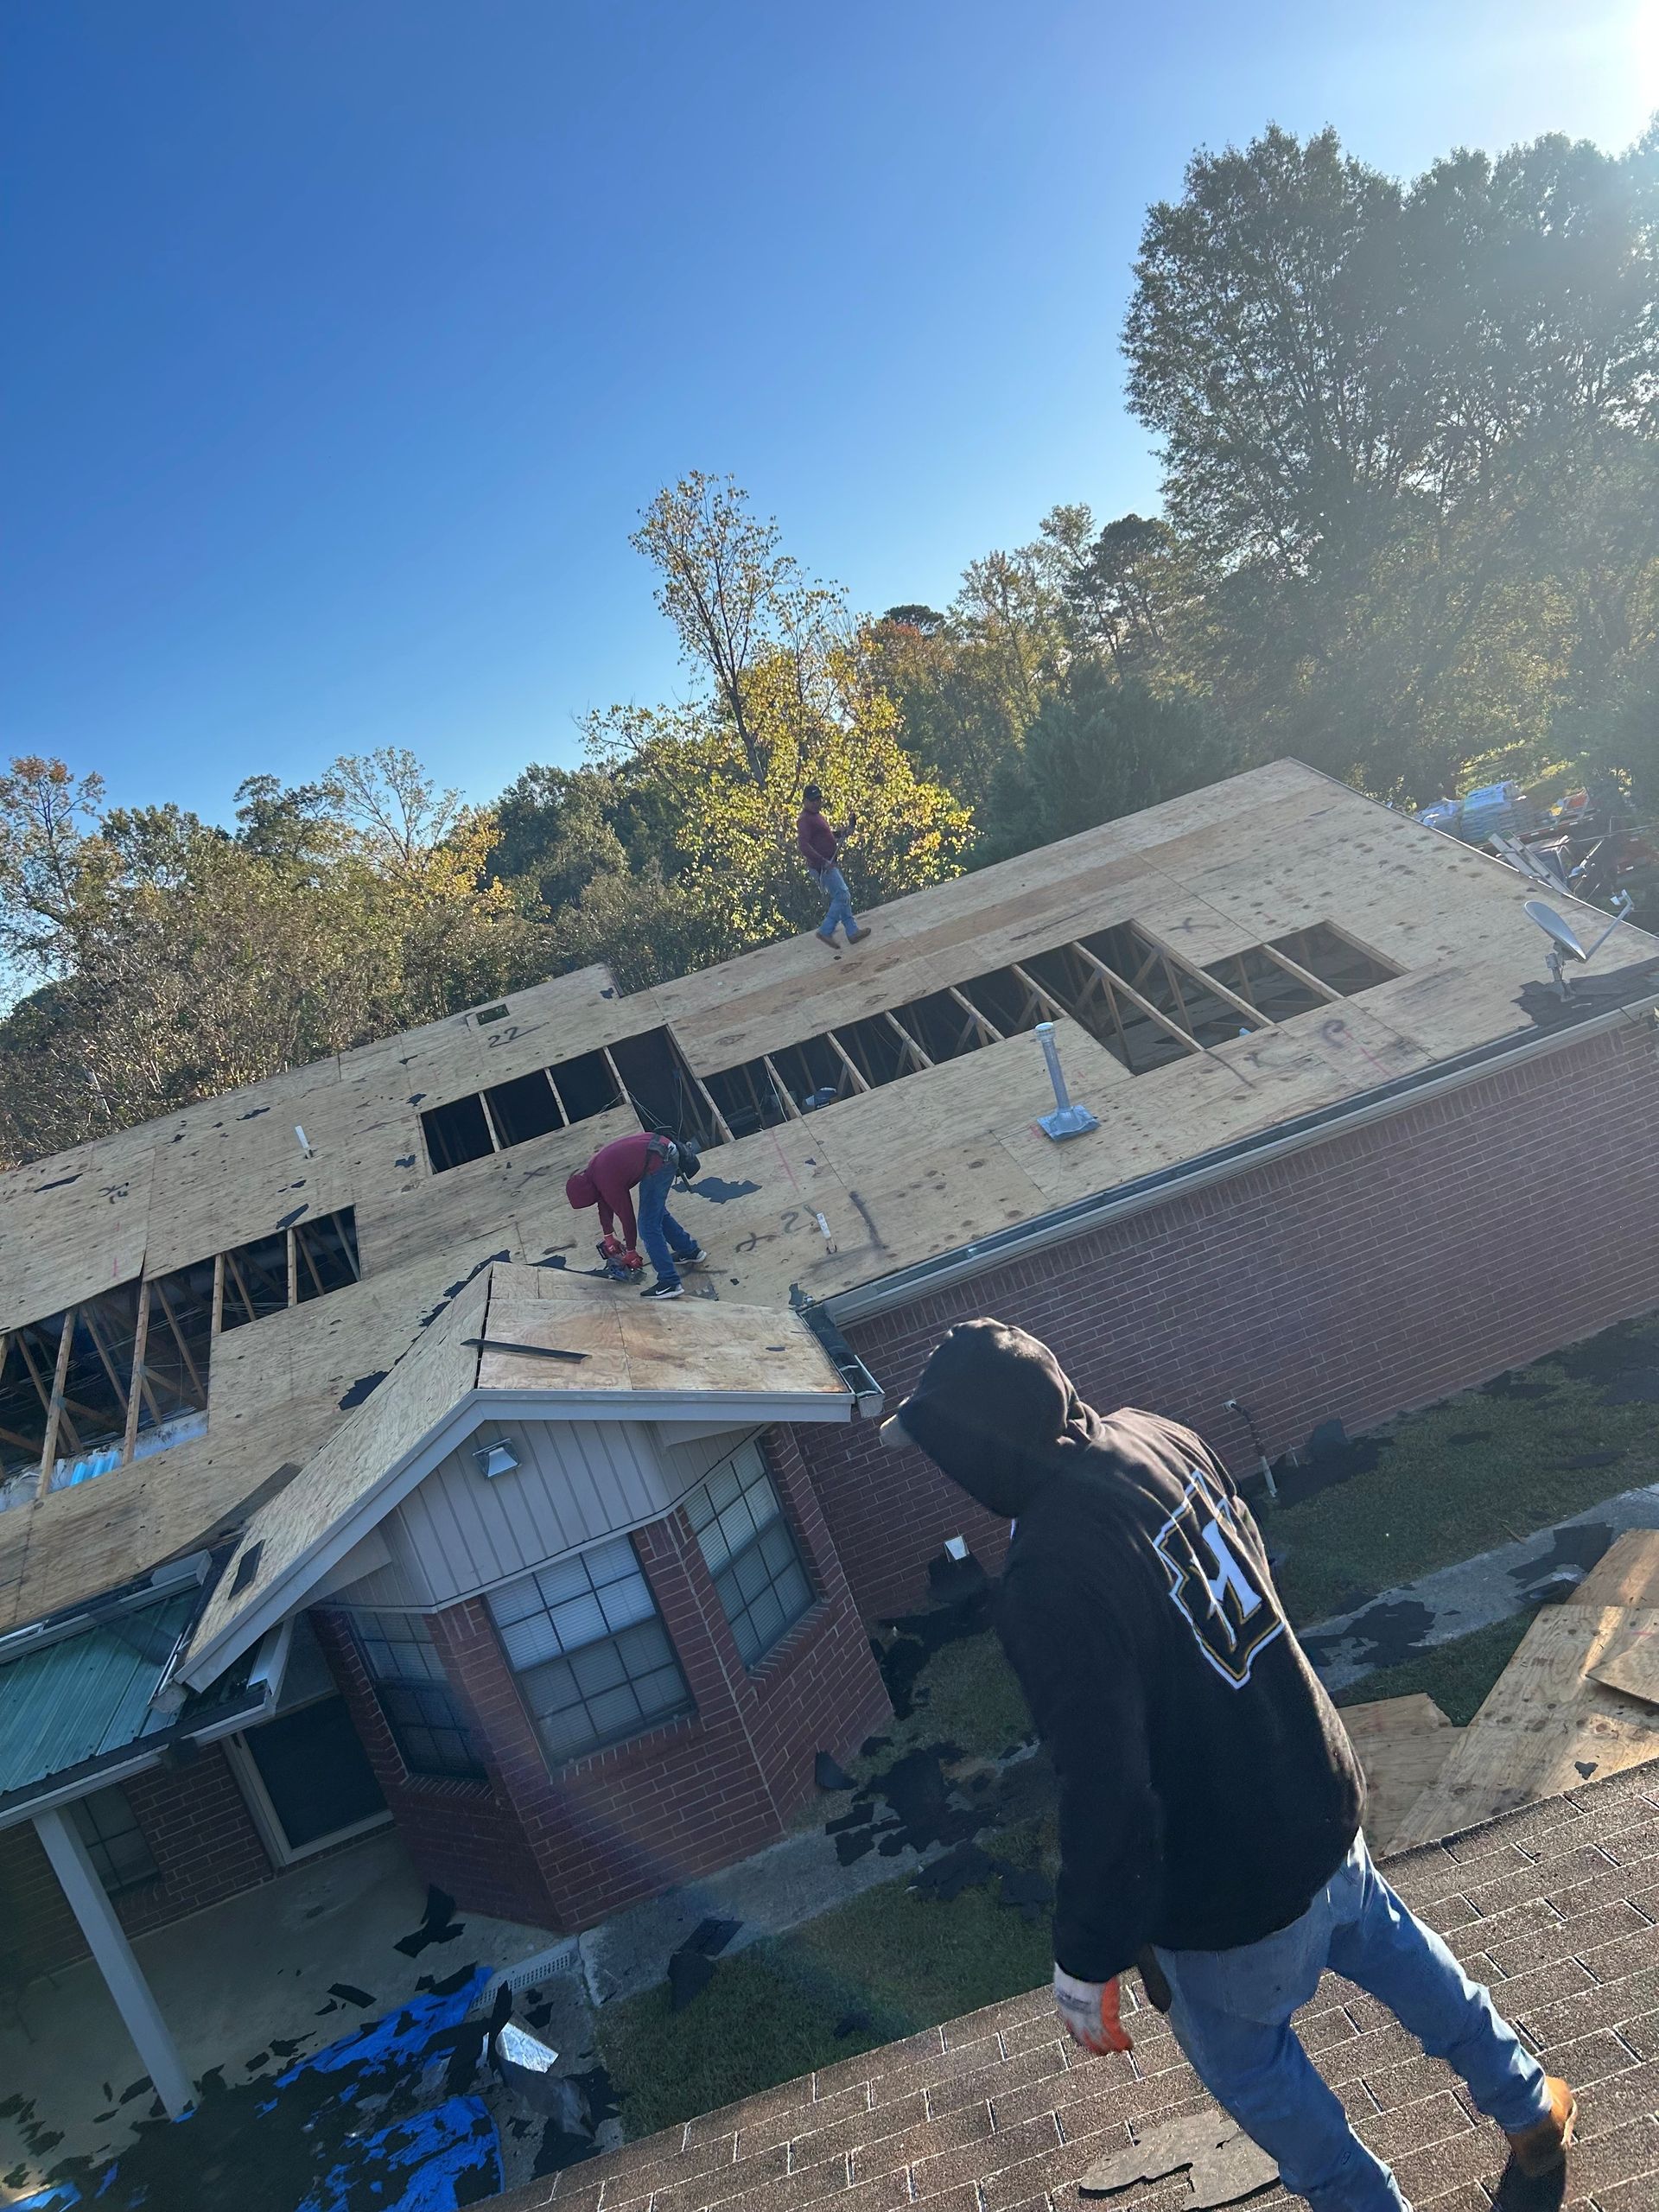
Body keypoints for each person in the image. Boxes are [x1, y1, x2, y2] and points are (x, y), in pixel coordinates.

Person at [878, 1319, 1575, 2212]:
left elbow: (1106, 1784)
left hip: (1230, 1888)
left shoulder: (1047, 1574)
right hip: (1317, 1792)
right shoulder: (1157, 1434)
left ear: (973, 1450)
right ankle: (1528, 2105)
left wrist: (1086, 1956)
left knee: (1259, 2074)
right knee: (1400, 1951)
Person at [565, 1131, 705, 1301]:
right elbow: (603, 1203)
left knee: (647, 1226)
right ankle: (689, 1250)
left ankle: (670, 1282)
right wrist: (608, 1236)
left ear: (588, 1193)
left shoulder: (606, 1181)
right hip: (658, 1149)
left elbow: (627, 1218)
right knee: (655, 1213)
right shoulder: (593, 1172)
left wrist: (630, 1251)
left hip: (661, 1159)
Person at [797, 785, 869, 948]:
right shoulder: (805, 820)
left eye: (818, 799)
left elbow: (824, 836)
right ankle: (826, 931)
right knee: (843, 895)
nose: (816, 803)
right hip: (822, 867)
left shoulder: (816, 816)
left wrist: (842, 833)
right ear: (805, 801)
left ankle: (852, 932)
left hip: (828, 862)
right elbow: (803, 845)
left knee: (842, 895)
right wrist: (823, 861)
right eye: (813, 800)